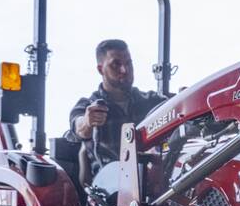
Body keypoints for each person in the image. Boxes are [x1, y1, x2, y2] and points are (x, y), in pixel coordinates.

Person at [65, 39, 166, 178]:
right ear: (101, 69)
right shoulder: (89, 106)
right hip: (108, 191)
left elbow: (178, 109)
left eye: (128, 63)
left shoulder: (151, 101)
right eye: (116, 64)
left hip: (153, 185)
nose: (124, 70)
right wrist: (88, 122)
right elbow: (79, 127)